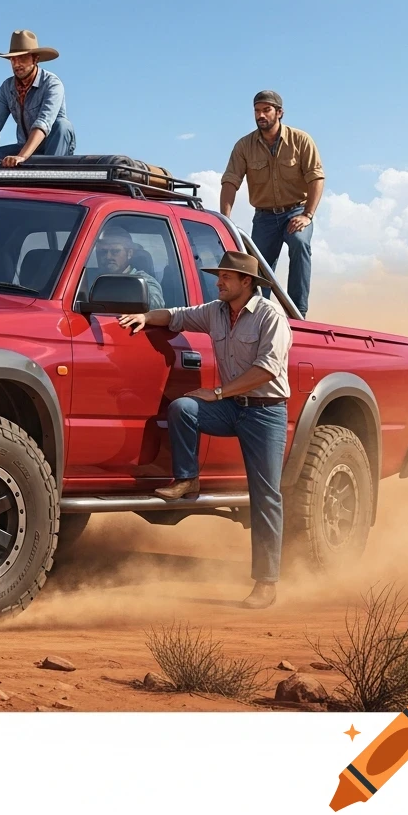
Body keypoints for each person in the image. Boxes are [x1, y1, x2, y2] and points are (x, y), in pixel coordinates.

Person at [119, 251, 293, 610]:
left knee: (265, 496)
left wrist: (217, 392)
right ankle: (188, 479)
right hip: (232, 408)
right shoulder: (215, 311)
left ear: (246, 282)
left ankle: (266, 582)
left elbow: (267, 369)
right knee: (184, 408)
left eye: (226, 277)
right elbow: (176, 316)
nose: (218, 282)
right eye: (219, 276)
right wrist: (145, 316)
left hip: (265, 412)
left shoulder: (270, 316)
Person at [220, 90, 324, 318]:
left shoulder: (301, 140)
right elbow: (230, 182)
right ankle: (258, 314)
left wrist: (307, 215)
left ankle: (298, 313)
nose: (261, 115)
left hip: (296, 211)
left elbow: (316, 178)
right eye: (257, 111)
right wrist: (224, 220)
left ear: (279, 113)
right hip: (264, 217)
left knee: (299, 243)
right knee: (255, 266)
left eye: (266, 110)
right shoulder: (244, 146)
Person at [0, 30, 75, 167]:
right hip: (24, 146)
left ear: (35, 59)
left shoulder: (52, 84)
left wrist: (22, 157)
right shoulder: (7, 87)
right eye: (12, 59)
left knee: (62, 126)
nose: (16, 64)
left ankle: (51, 174)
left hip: (54, 146)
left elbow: (43, 123)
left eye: (22, 58)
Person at [94, 225, 165, 309]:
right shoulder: (91, 279)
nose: (108, 257)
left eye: (115, 251)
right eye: (103, 252)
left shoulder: (146, 282)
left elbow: (156, 309)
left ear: (129, 253)